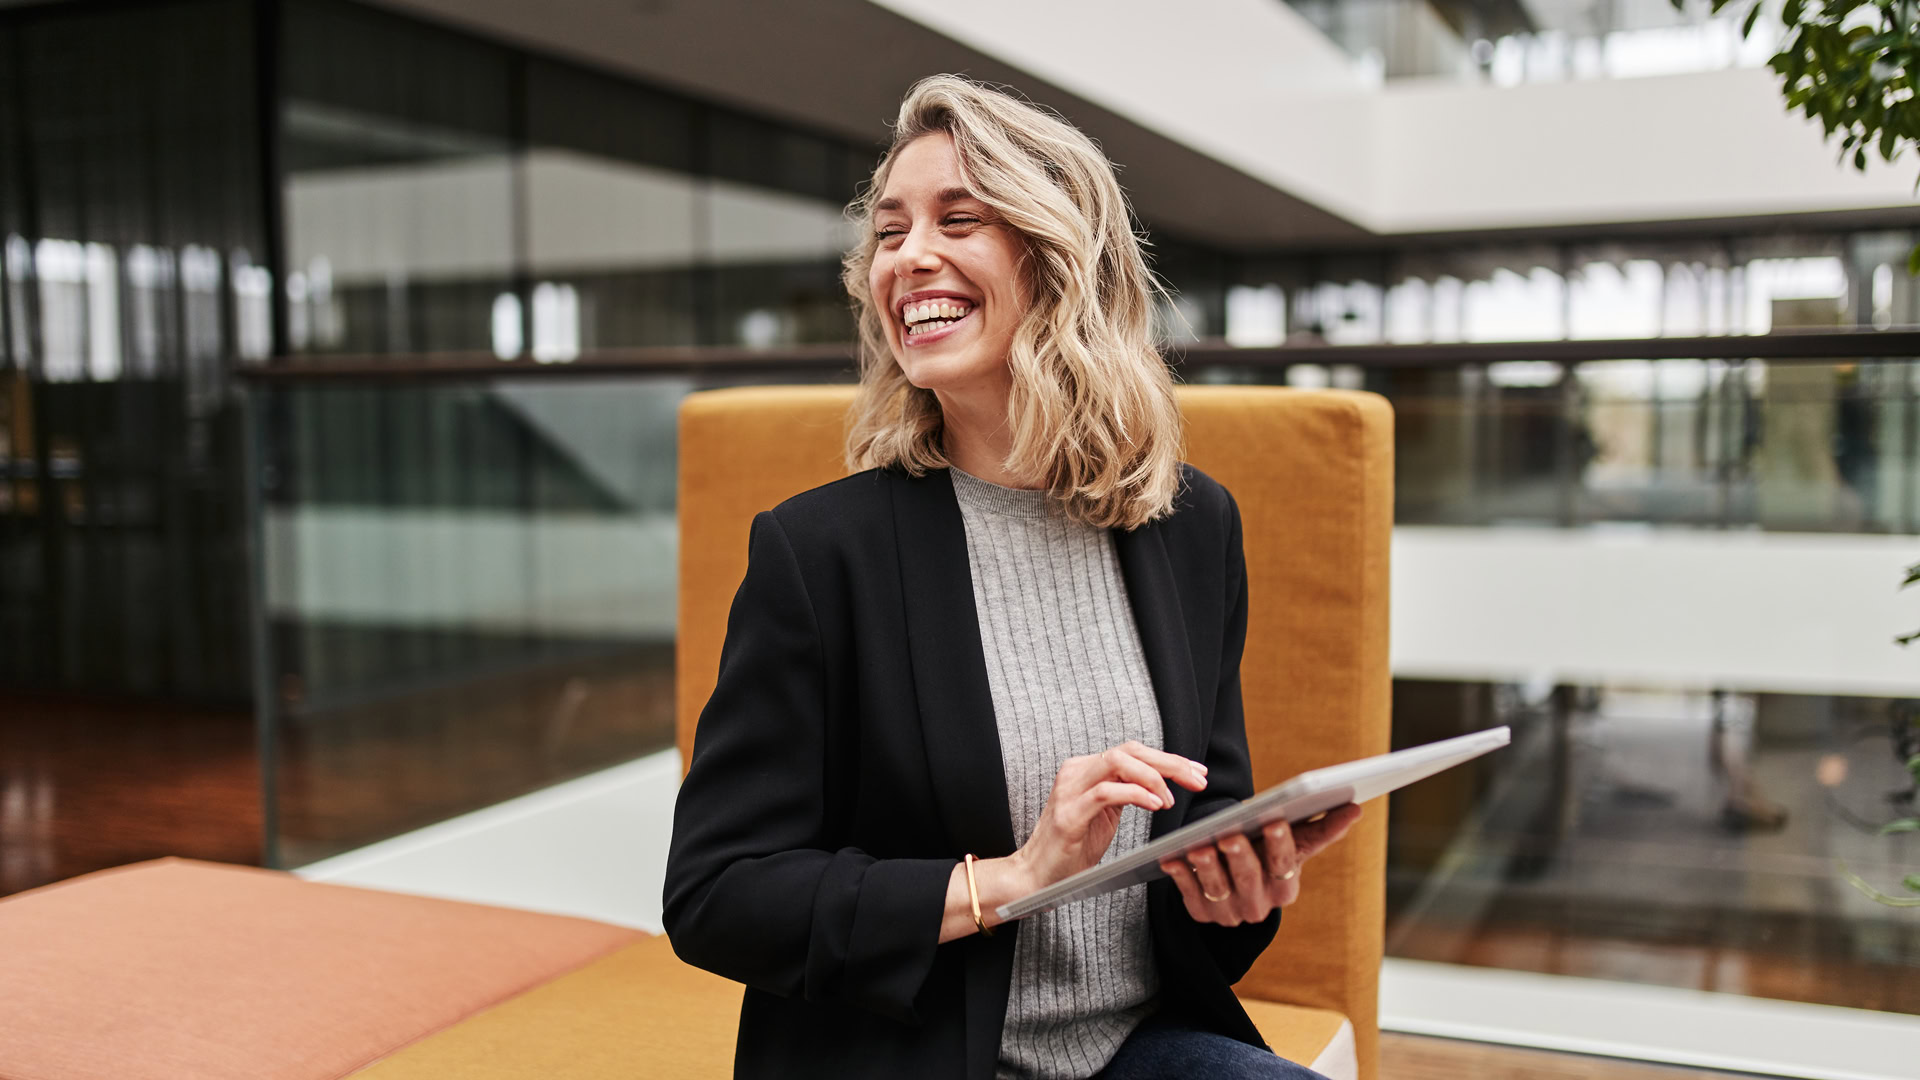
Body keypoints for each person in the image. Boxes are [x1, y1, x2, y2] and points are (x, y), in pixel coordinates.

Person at [662, 74, 1362, 1080]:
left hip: (1134, 1048)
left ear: (1061, 260)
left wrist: (1236, 893)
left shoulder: (1192, 524)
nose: (911, 258)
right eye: (891, 232)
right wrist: (1012, 878)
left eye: (959, 219)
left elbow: (1204, 838)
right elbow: (717, 896)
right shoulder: (818, 555)